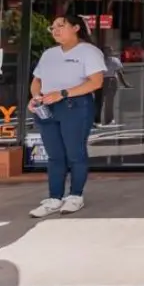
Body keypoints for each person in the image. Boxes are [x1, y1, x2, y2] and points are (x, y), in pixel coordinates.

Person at [27, 14, 106, 218]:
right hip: (47, 107)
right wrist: (36, 97)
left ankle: (75, 196)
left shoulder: (89, 52)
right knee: (55, 155)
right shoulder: (49, 54)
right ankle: (54, 197)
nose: (55, 30)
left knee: (75, 153)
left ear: (76, 28)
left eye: (61, 26)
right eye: (52, 28)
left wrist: (63, 93)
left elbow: (96, 82)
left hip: (75, 106)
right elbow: (37, 80)